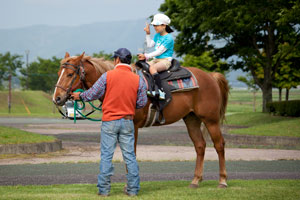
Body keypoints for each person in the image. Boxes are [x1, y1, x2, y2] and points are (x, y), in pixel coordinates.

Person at [71, 48, 147, 197]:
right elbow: (142, 102)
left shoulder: (107, 76)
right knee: (130, 156)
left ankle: (104, 190)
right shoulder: (138, 79)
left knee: (106, 156)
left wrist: (79, 96)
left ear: (117, 60)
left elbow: (93, 94)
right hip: (127, 121)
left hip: (109, 121)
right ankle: (133, 190)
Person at [138, 13, 174, 100]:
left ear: (164, 26)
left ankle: (161, 91)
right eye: (154, 25)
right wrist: (148, 34)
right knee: (142, 67)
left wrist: (146, 56)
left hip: (165, 60)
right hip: (156, 59)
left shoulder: (168, 38)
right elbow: (150, 45)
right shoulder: (157, 35)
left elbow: (159, 51)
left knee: (152, 69)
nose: (155, 27)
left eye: (157, 25)